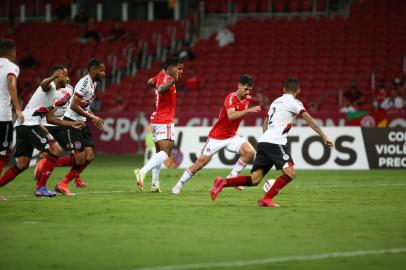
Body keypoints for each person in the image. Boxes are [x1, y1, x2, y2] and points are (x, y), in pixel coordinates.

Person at [210, 78, 334, 207]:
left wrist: (266, 139)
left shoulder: (276, 101)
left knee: (255, 179)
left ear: (283, 89)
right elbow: (310, 120)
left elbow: (265, 122)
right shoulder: (295, 103)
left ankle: (223, 182)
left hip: (264, 141)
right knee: (290, 173)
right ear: (298, 90)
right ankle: (266, 199)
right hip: (275, 143)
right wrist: (324, 136)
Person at [0, 65, 84, 197]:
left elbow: (51, 119)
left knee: (22, 164)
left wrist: (72, 124)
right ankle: (41, 188)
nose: (67, 80)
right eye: (65, 76)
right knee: (55, 149)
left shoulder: (53, 95)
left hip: (24, 124)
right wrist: (52, 77)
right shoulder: (49, 86)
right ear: (58, 75)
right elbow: (43, 83)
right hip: (29, 123)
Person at [172, 75, 261, 194]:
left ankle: (232, 177)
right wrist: (249, 110)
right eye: (245, 89)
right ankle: (178, 185)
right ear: (239, 86)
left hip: (231, 136)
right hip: (217, 137)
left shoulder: (248, 98)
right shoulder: (230, 98)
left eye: (249, 89)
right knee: (201, 163)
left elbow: (255, 100)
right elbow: (231, 116)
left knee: (250, 152)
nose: (247, 92)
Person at [54, 59, 106, 195]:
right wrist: (92, 117)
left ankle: (63, 183)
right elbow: (73, 105)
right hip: (72, 122)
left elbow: (84, 106)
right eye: (101, 70)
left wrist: (92, 117)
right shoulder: (84, 83)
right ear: (93, 70)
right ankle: (49, 164)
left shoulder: (93, 83)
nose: (104, 73)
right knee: (80, 159)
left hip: (82, 122)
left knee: (89, 157)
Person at [133, 57, 184, 192]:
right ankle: (142, 172)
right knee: (166, 153)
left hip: (156, 119)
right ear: (172, 68)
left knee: (159, 153)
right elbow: (161, 90)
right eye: (179, 68)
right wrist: (173, 80)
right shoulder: (168, 79)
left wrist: (158, 78)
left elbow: (149, 82)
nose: (181, 71)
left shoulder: (161, 75)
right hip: (165, 120)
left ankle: (155, 184)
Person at [0, 39, 24, 201]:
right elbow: (10, 82)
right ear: (12, 52)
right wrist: (17, 108)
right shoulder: (11, 67)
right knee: (3, 153)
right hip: (2, 116)